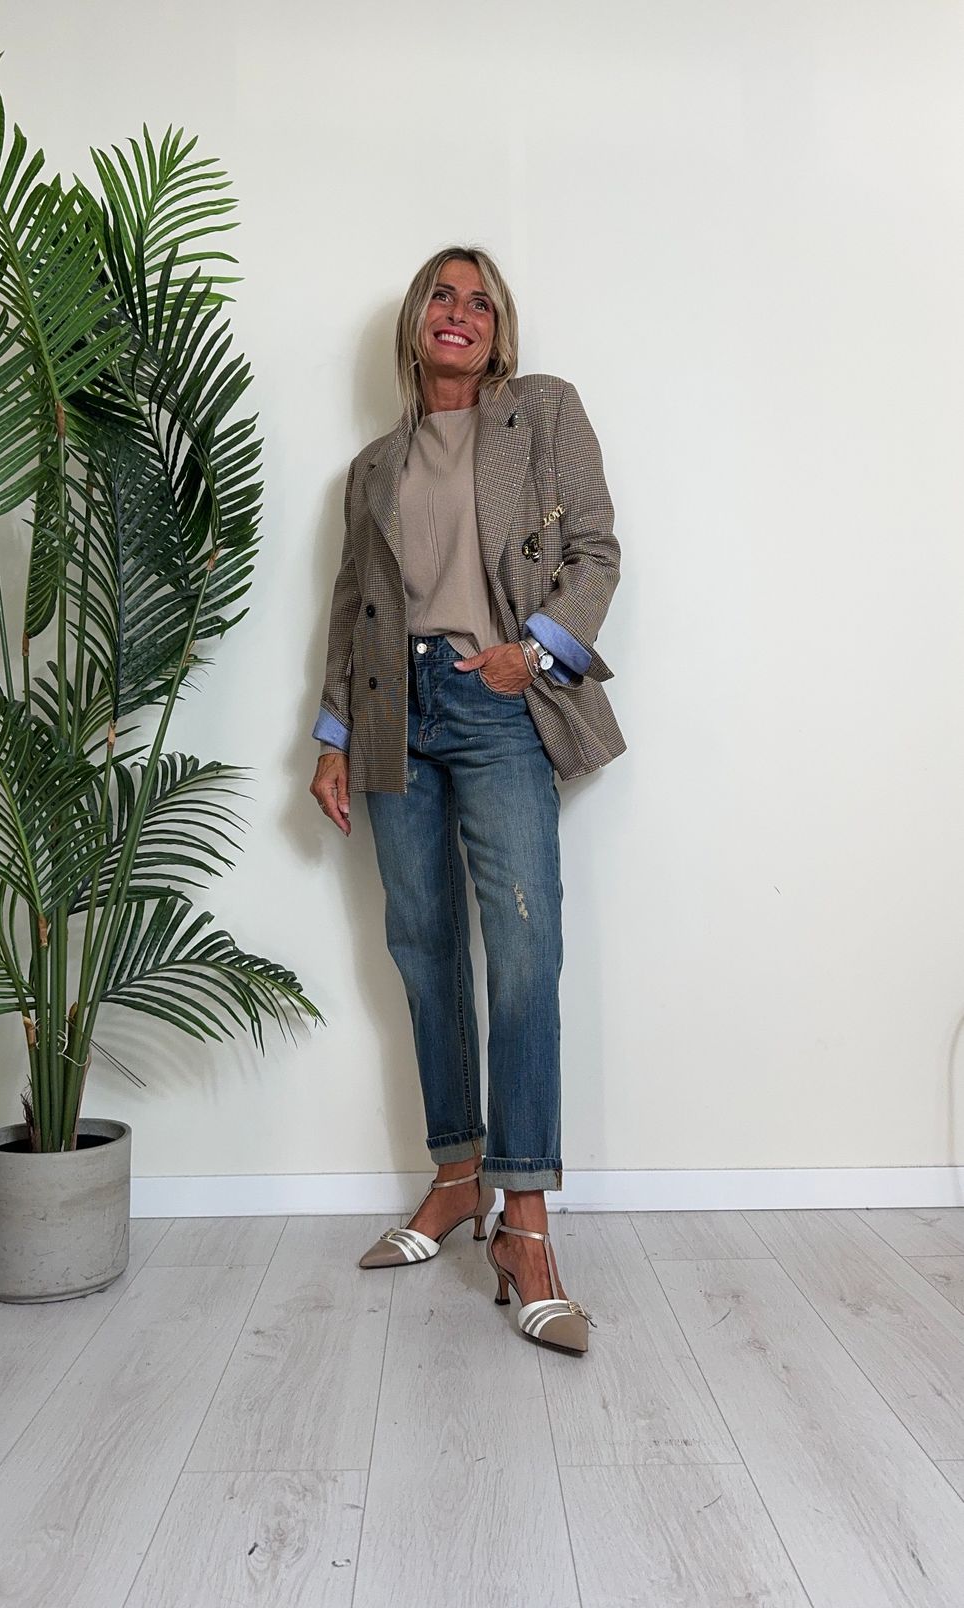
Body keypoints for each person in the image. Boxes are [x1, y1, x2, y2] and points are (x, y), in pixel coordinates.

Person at [309, 245, 625, 1354]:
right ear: (414, 321)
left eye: (479, 301)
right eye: (441, 296)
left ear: (499, 331)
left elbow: (595, 551)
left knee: (524, 950)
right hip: (394, 713)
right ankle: (455, 1179)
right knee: (422, 944)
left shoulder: (541, 413)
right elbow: (353, 606)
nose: (459, 312)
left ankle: (523, 1224)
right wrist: (332, 737)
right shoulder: (371, 468)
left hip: (495, 703)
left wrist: (525, 655)